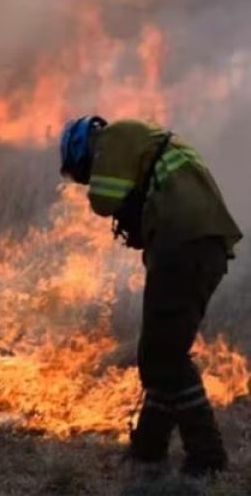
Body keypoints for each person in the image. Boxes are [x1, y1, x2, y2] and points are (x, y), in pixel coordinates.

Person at [59, 116, 242, 480]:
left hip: (184, 245)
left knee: (166, 355)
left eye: (83, 173)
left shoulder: (112, 139)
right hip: (202, 247)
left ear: (83, 149)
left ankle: (207, 457)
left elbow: (103, 200)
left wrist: (120, 201)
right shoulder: (146, 143)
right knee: (159, 352)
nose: (86, 180)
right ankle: (148, 450)